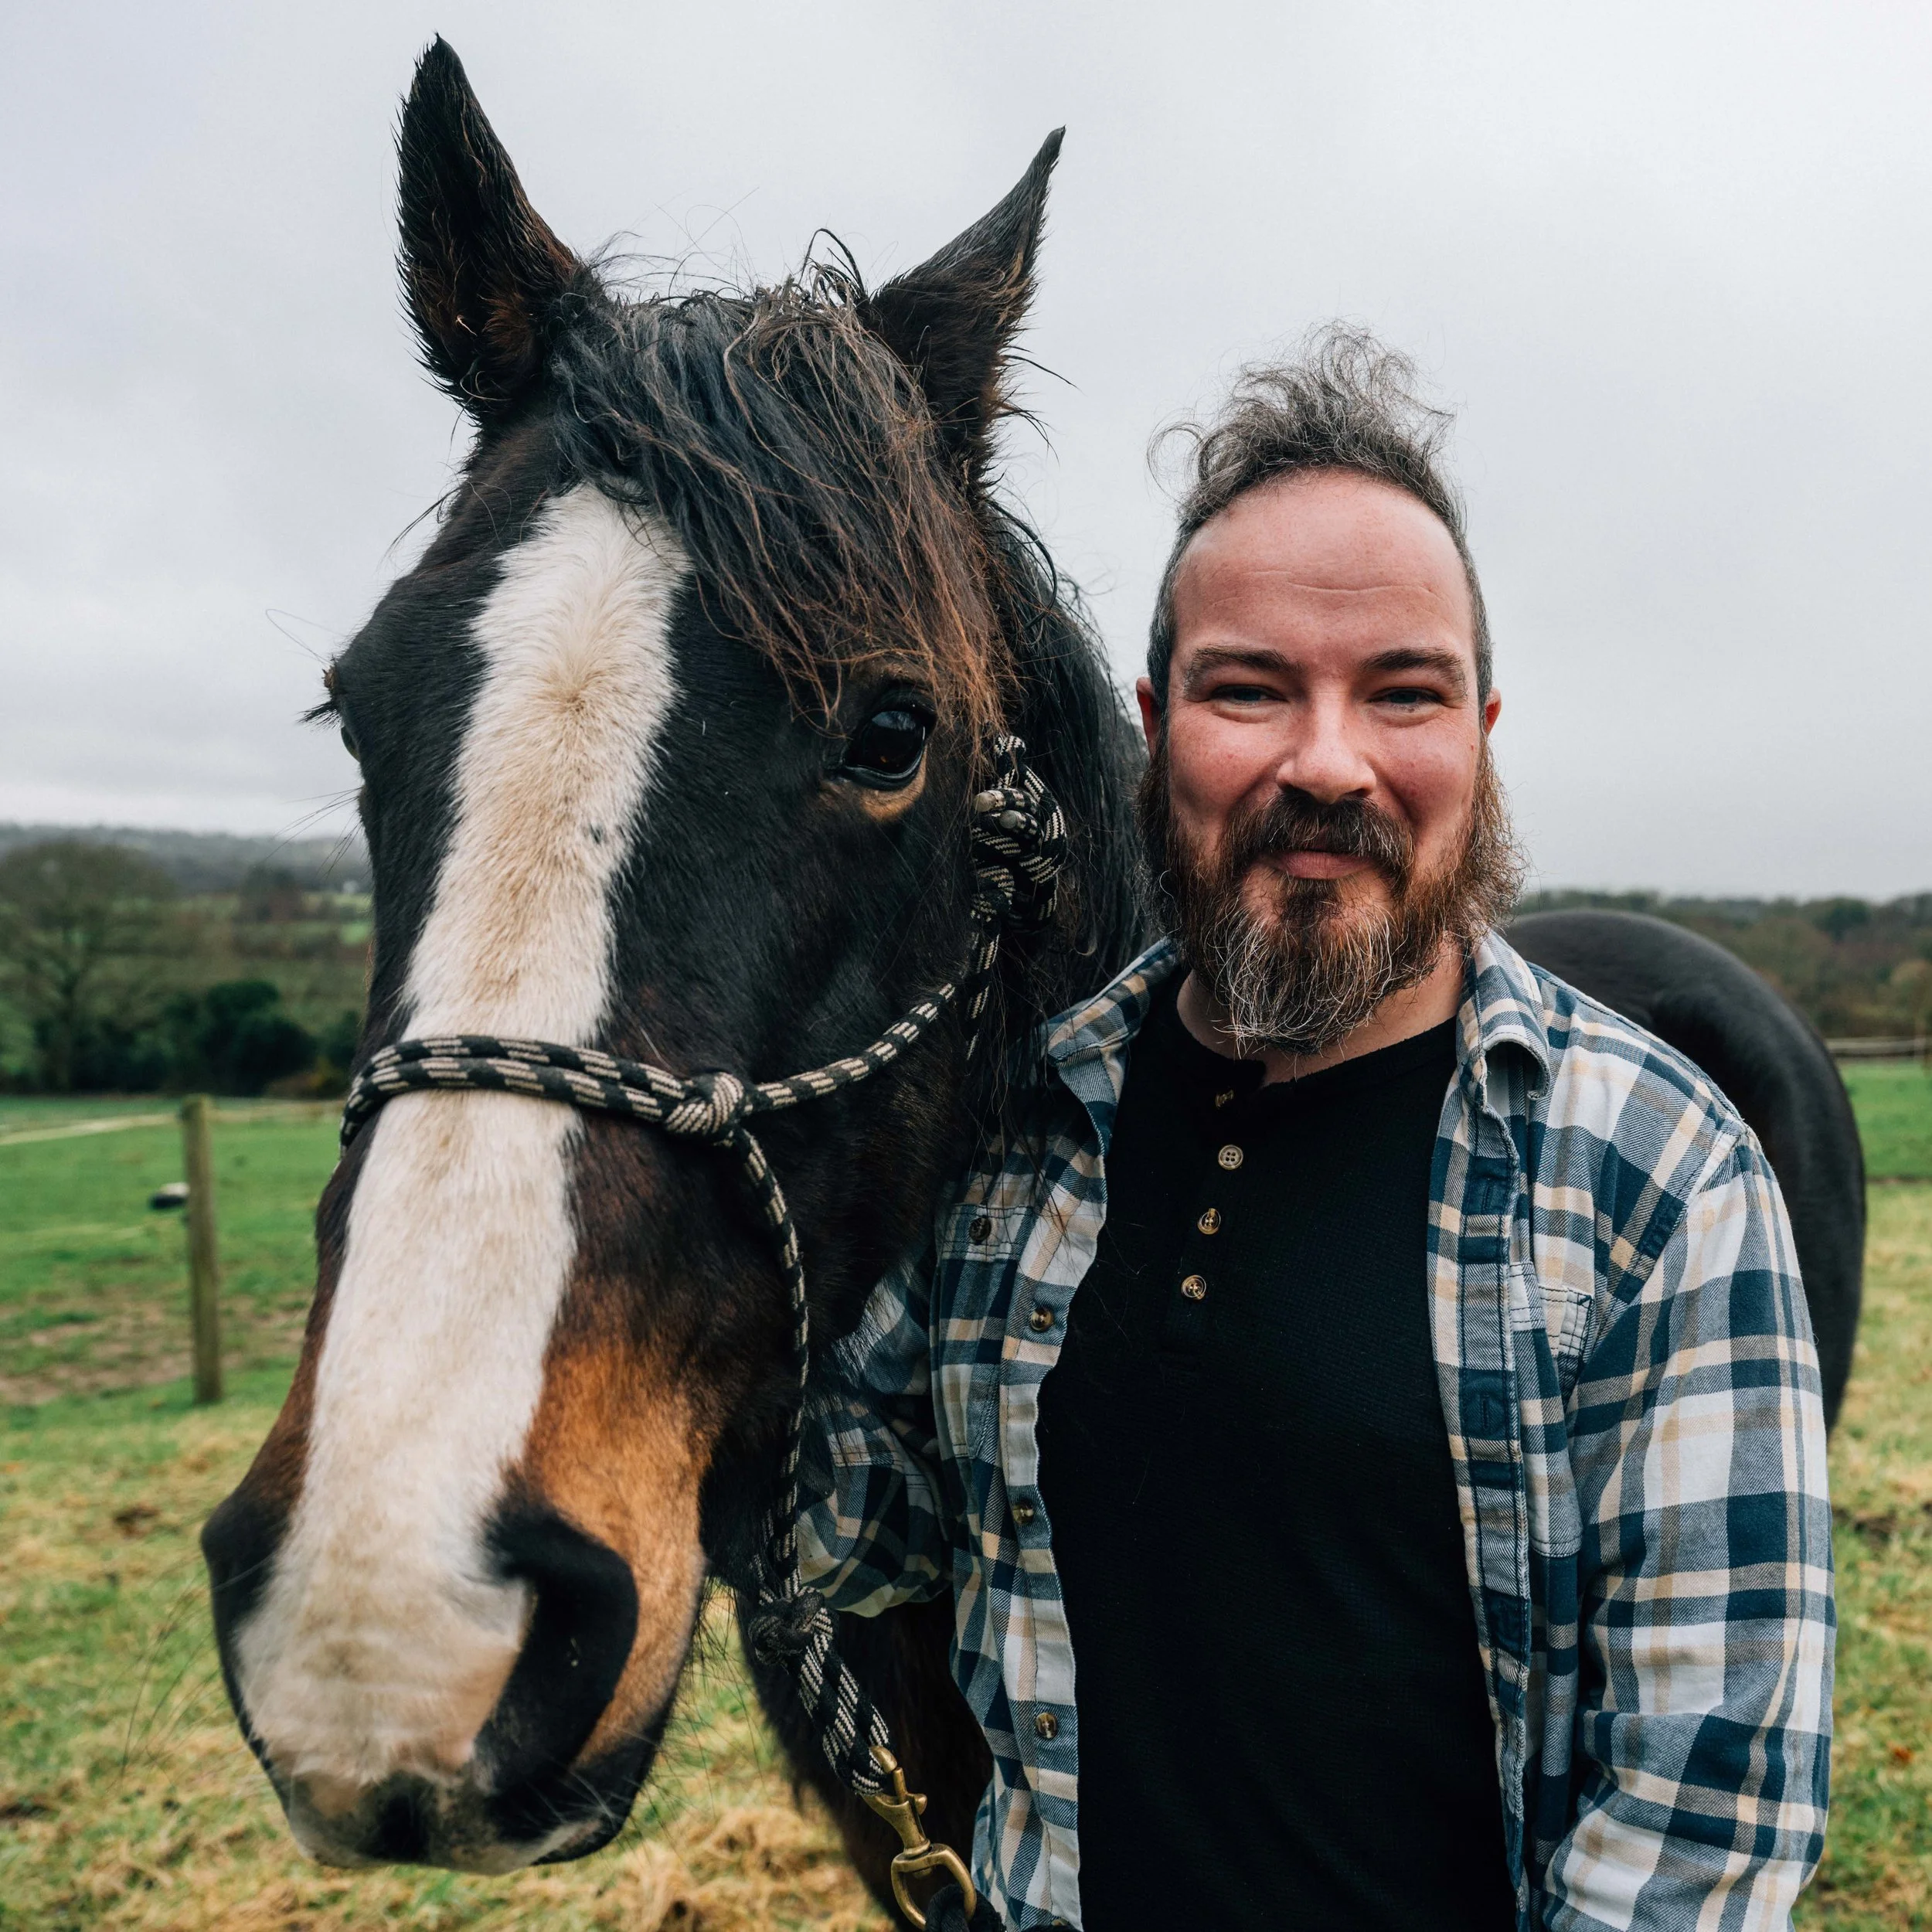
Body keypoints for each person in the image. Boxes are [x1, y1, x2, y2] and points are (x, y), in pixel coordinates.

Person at [799, 328, 1834, 1931]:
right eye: (1249, 688)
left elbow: (1701, 1819)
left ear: (1478, 734)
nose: (1326, 758)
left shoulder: (1661, 1175)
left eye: (1399, 692)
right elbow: (845, 1526)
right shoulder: (1009, 1135)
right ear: (1155, 724)